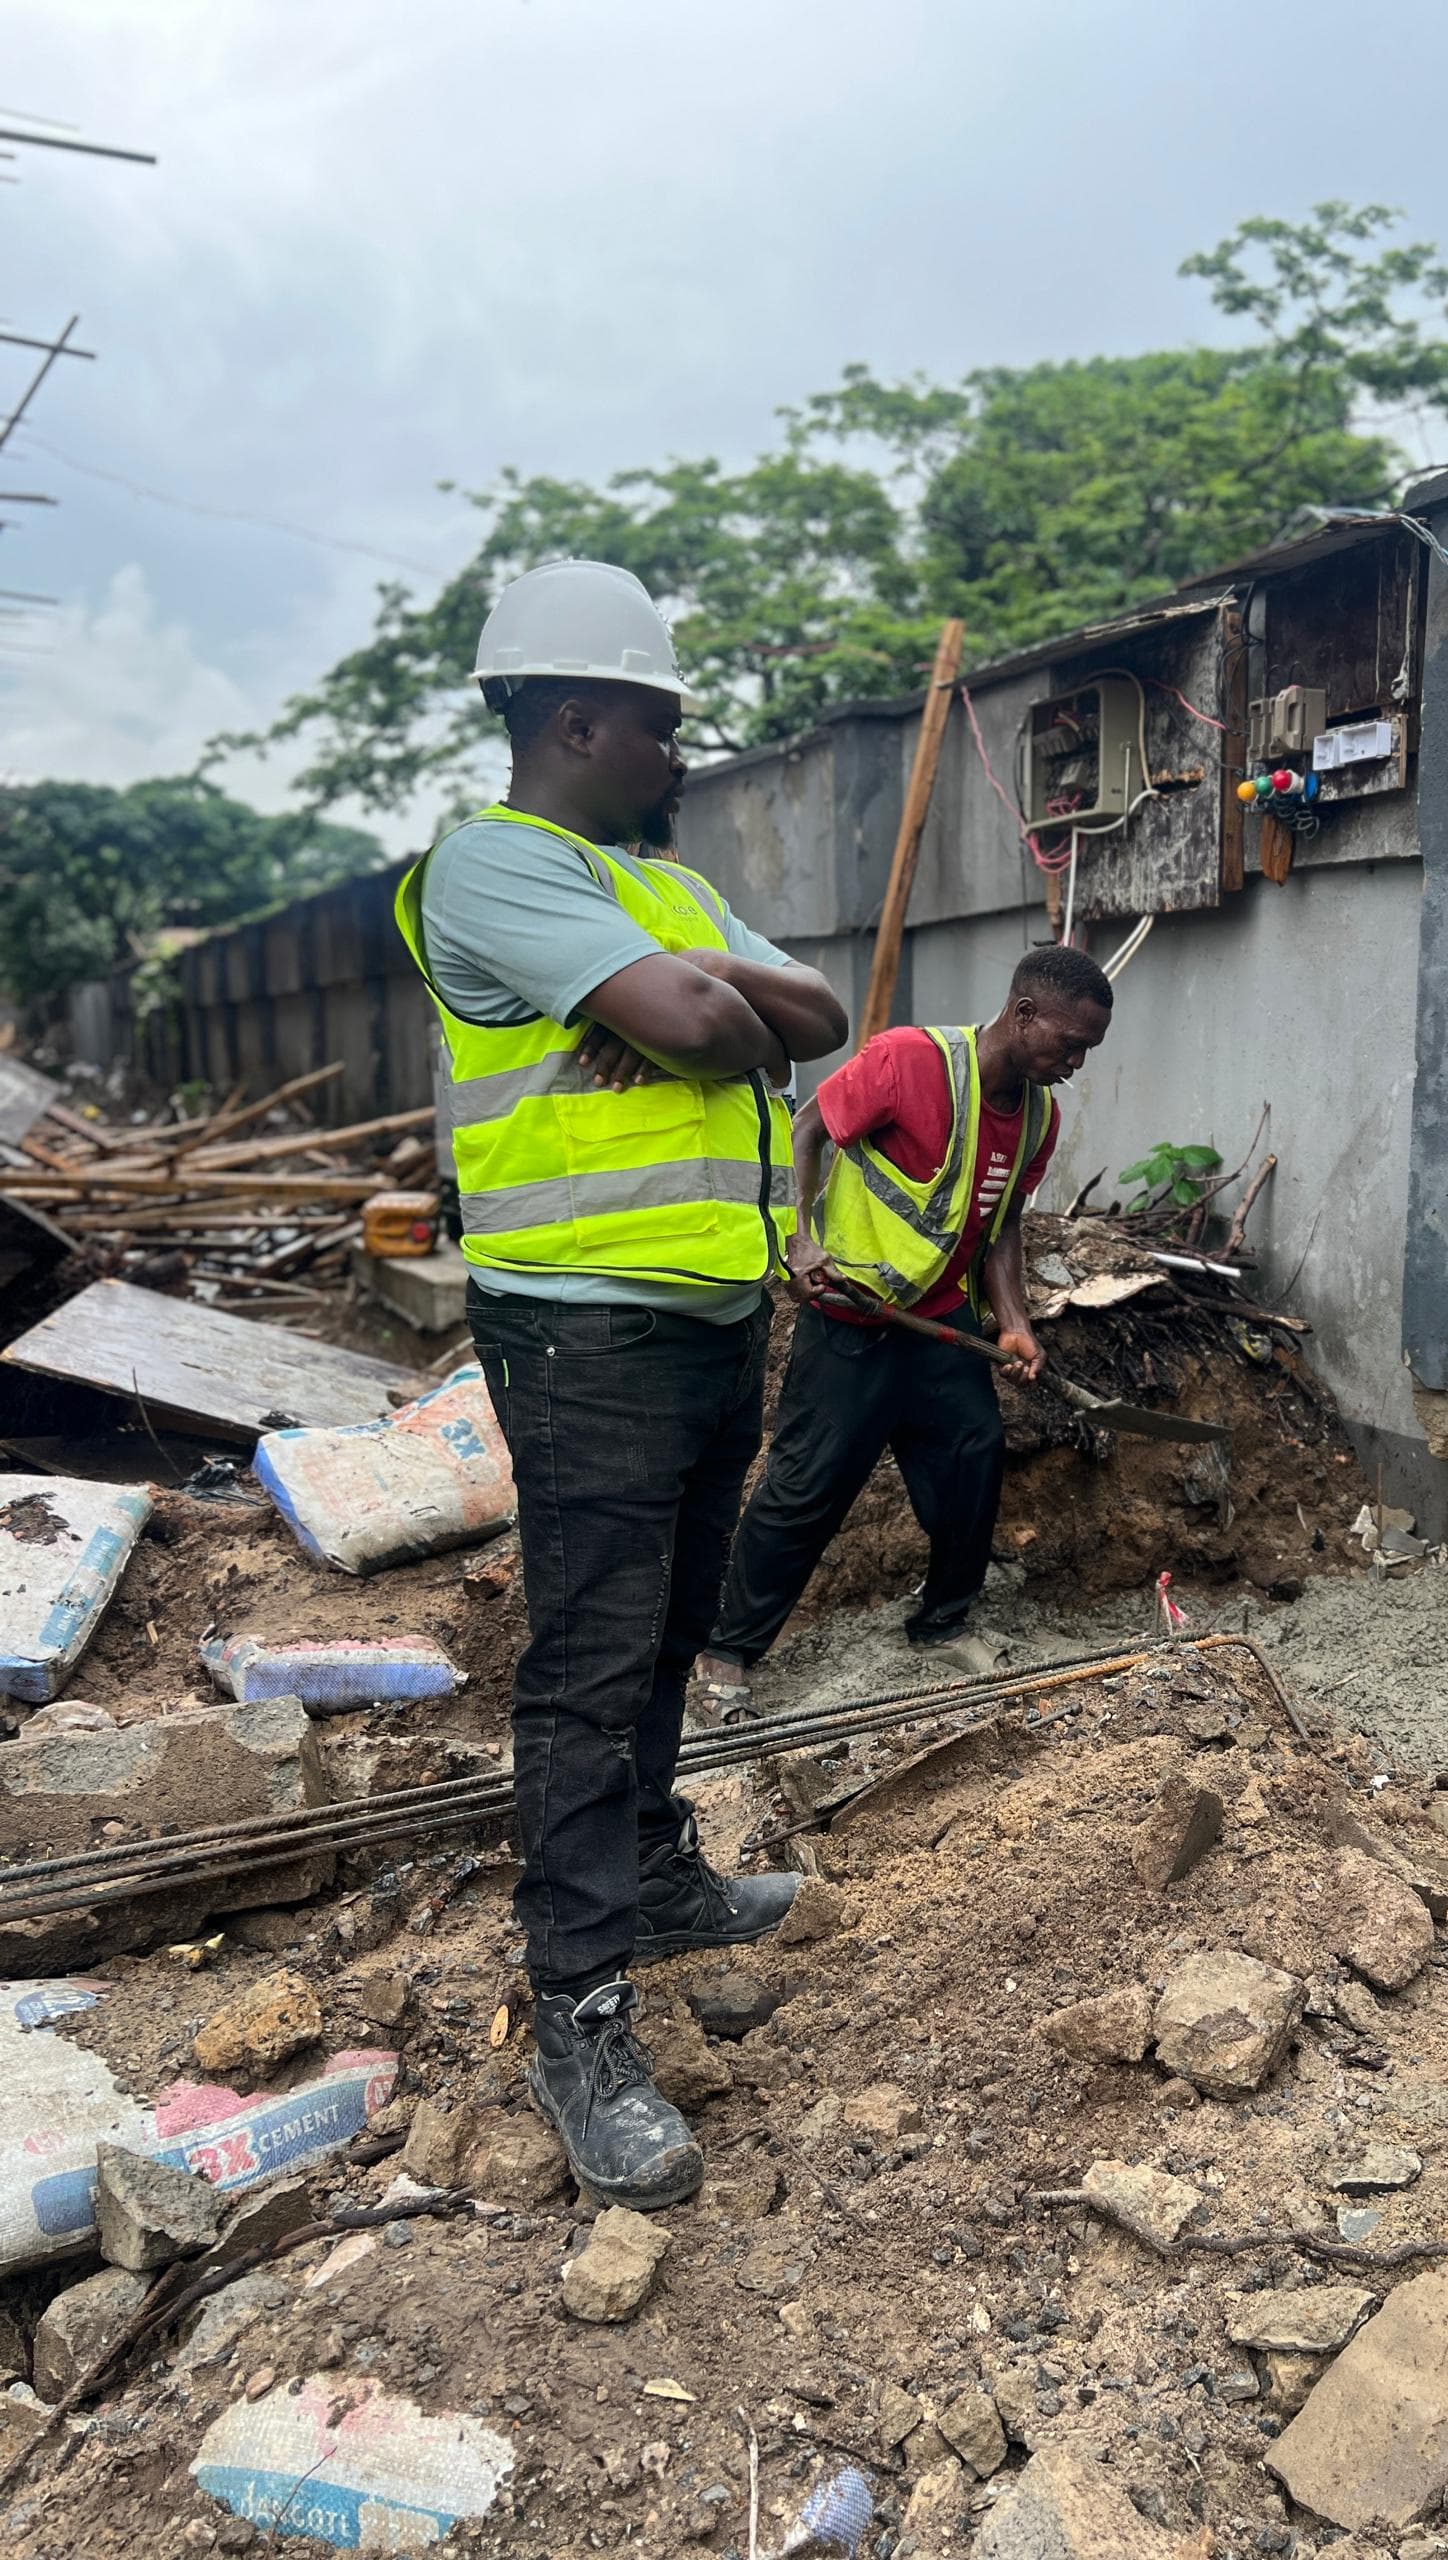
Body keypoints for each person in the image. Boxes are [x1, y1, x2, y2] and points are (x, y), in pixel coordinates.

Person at [393, 558, 849, 2210]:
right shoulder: (492, 868)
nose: (680, 753)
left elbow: (816, 1015)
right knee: (587, 1670)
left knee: (667, 1631)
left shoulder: (659, 885)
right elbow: (708, 1021)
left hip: (712, 1318)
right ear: (577, 719)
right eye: (660, 724)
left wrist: (708, 1003)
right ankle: (578, 2018)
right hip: (582, 1336)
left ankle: (653, 1877)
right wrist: (703, 1007)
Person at [696, 946, 1114, 1716]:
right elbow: (807, 1128)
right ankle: (727, 1653)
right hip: (850, 1315)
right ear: (1024, 1015)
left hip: (938, 1321)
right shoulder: (909, 1061)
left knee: (971, 1458)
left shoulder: (1038, 1118)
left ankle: (942, 1622)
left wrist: (1015, 1323)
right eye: (1070, 1044)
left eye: (1088, 1049)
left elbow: (1002, 1224)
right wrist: (798, 1239)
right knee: (808, 1485)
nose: (1076, 1063)